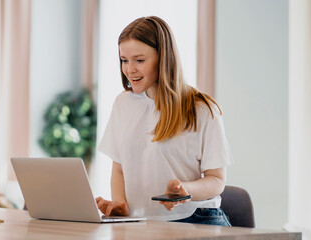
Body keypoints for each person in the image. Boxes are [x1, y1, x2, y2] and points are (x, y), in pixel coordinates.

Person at [95, 16, 233, 226]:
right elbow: (119, 169)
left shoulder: (202, 110)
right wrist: (120, 204)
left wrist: (186, 191)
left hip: (196, 220)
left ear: (164, 58)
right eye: (124, 60)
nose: (130, 69)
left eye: (139, 60)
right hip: (141, 222)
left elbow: (216, 180)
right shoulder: (123, 104)